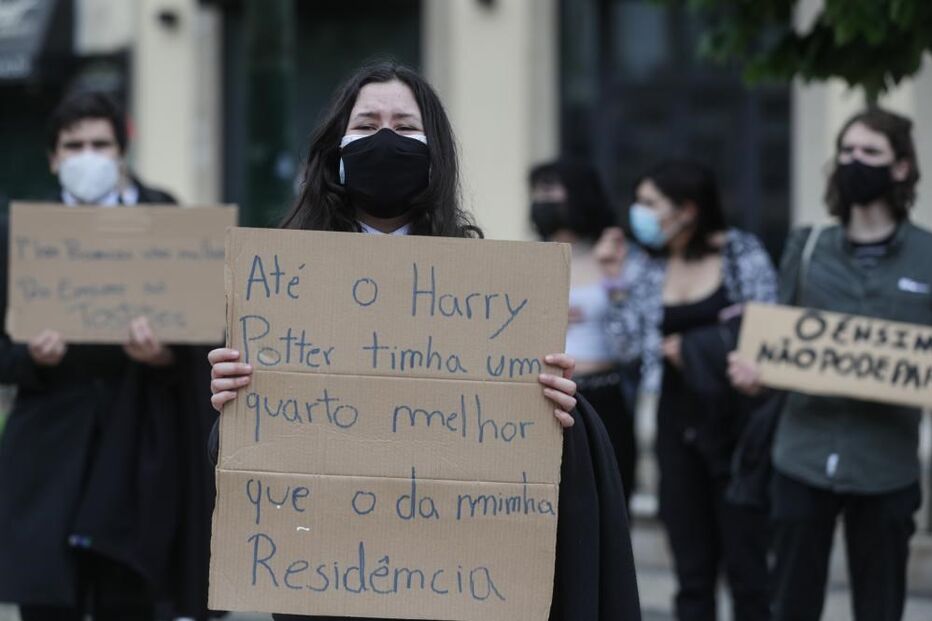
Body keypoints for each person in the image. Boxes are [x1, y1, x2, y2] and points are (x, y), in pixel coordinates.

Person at [207, 61, 642, 621]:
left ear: (435, 150)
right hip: (320, 570)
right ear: (333, 149)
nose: (385, 138)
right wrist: (231, 406)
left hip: (453, 575)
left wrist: (554, 409)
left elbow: (523, 452)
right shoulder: (278, 286)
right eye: (366, 125)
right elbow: (236, 461)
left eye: (405, 126)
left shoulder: (495, 291)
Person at [0, 92, 218, 621]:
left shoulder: (164, 217)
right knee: (48, 602)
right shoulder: (21, 237)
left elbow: (204, 331)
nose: (87, 156)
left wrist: (165, 355)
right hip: (53, 446)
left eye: (100, 144)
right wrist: (31, 359)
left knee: (136, 596)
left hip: (141, 442)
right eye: (74, 146)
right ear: (53, 158)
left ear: (122, 151)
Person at [729, 108, 931, 621]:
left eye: (869, 153)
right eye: (846, 152)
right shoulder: (809, 246)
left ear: (902, 168)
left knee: (880, 607)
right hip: (801, 454)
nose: (854, 162)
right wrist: (754, 373)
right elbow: (777, 341)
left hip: (886, 464)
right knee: (791, 604)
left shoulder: (927, 256)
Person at [596, 159, 776, 621]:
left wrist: (697, 350)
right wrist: (614, 282)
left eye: (651, 203)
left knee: (748, 568)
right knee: (691, 570)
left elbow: (768, 335)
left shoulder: (740, 253)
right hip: (676, 420)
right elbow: (627, 346)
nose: (638, 212)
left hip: (736, 420)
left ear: (688, 210)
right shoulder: (646, 266)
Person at [528, 159, 638, 504]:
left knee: (609, 499)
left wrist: (614, 282)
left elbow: (632, 344)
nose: (543, 200)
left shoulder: (616, 258)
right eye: (538, 192)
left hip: (603, 394)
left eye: (552, 190)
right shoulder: (527, 258)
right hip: (543, 396)